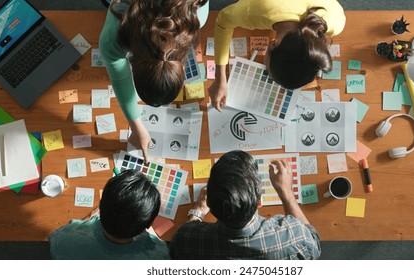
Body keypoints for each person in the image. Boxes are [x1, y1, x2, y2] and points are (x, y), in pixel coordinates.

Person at [99, 0, 209, 162]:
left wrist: (136, 127)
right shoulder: (113, 37)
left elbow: (120, 77)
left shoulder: (200, 15)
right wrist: (136, 127)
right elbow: (120, 81)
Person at [169, 150, 321, 259]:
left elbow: (181, 245)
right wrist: (287, 194)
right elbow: (313, 242)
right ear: (260, 201)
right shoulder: (295, 238)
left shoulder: (185, 240)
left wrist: (198, 212)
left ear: (208, 201)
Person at [208, 0, 346, 111]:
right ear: (273, 44)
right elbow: (222, 20)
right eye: (266, 65)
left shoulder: (335, 23)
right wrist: (220, 76)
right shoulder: (255, 12)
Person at [48, 169, 168, 260]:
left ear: (100, 205)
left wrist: (91, 217)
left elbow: (54, 238)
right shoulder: (158, 254)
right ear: (150, 223)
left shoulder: (65, 239)